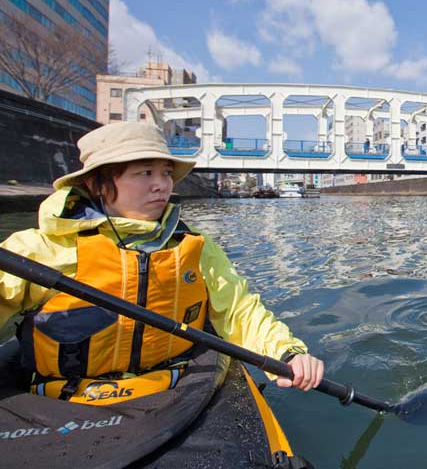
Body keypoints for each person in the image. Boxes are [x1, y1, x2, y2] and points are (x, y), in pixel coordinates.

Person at [0, 122, 324, 392]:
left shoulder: (195, 245)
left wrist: (286, 352)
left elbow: (238, 310)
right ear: (95, 183)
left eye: (166, 173)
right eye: (144, 173)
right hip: (62, 396)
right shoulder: (37, 250)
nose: (161, 185)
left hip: (174, 389)